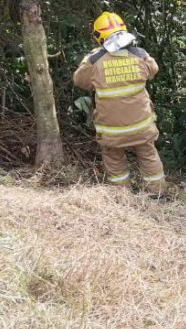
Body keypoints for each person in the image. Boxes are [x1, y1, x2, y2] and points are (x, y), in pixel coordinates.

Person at [73, 12, 173, 197]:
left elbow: (80, 81)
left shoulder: (94, 61)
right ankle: (157, 193)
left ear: (99, 36)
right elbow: (153, 70)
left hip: (112, 130)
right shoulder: (140, 55)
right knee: (148, 155)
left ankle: (122, 196)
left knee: (114, 159)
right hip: (141, 126)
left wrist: (90, 59)